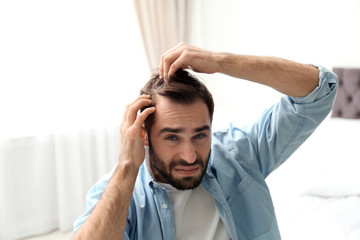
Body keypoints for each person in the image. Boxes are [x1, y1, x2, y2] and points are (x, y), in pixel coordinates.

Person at [72, 42, 338, 240]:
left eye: (200, 135)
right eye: (172, 137)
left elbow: (321, 90)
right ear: (144, 134)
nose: (189, 156)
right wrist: (128, 165)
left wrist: (222, 61)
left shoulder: (241, 152)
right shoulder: (118, 192)